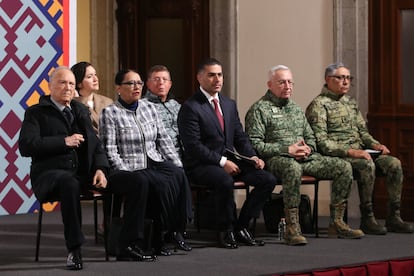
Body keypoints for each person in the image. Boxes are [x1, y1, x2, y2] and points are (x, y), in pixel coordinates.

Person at [18, 67, 154, 269]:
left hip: (86, 174)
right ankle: (75, 250)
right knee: (69, 184)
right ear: (50, 86)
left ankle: (128, 244)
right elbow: (26, 146)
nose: (68, 87)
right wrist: (63, 141)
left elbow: (96, 144)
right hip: (52, 175)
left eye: (71, 83)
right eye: (62, 82)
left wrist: (100, 168)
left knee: (138, 181)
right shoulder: (36, 112)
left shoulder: (80, 110)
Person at [245, 65, 364, 245]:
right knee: (292, 168)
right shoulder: (259, 109)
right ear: (270, 84)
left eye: (290, 82)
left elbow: (310, 136)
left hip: (304, 158)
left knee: (343, 167)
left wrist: (308, 148)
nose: (288, 86)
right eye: (282, 82)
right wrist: (287, 150)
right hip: (277, 159)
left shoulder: (295, 108)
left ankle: (337, 222)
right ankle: (292, 228)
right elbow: (255, 145)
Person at [177, 58, 276, 249]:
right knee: (224, 181)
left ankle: (241, 226)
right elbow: (193, 146)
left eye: (220, 74)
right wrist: (222, 162)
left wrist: (252, 156)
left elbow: (240, 136)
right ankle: (226, 230)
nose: (217, 79)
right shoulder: (190, 107)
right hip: (201, 164)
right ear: (200, 78)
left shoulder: (228, 104)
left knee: (267, 179)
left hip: (230, 160)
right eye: (211, 75)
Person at [305, 62, 413, 235]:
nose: (345, 82)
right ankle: (367, 218)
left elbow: (363, 132)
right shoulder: (319, 105)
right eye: (340, 78)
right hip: (339, 155)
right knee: (366, 165)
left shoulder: (350, 103)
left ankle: (394, 217)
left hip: (361, 152)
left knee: (394, 164)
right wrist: (350, 152)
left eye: (348, 78)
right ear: (327, 80)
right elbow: (321, 142)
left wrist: (375, 144)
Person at [99, 69, 192, 256]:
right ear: (118, 88)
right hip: (127, 167)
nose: (136, 87)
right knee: (149, 182)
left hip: (152, 161)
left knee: (177, 174)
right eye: (131, 83)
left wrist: (175, 163)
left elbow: (163, 139)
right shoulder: (110, 113)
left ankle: (174, 229)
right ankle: (142, 241)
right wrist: (126, 171)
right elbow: (110, 150)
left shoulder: (149, 107)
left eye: (139, 83)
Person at [144, 65, 182, 157]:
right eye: (156, 79)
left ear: (170, 84)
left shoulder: (176, 105)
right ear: (148, 84)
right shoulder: (143, 107)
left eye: (164, 79)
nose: (161, 83)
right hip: (161, 157)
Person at [71, 61, 113, 134]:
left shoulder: (108, 102)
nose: (95, 79)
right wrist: (78, 100)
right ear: (79, 83)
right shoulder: (72, 104)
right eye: (89, 77)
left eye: (95, 74)